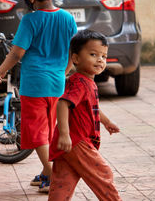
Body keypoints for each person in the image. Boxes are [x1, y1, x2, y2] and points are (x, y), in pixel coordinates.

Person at [0, 0, 77, 193]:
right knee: (49, 130)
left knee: (37, 131)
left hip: (34, 85)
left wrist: (0, 71)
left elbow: (17, 53)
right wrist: (63, 71)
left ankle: (51, 174)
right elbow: (73, 53)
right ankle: (46, 171)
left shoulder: (30, 21)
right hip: (57, 84)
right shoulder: (67, 18)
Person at [48, 30, 122, 201]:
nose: (100, 60)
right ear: (76, 59)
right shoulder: (80, 82)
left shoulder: (87, 81)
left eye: (103, 56)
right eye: (93, 54)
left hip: (70, 143)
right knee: (103, 174)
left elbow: (92, 108)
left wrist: (107, 122)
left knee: (63, 183)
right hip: (77, 140)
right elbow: (62, 103)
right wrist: (65, 135)